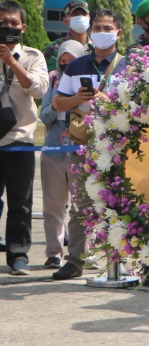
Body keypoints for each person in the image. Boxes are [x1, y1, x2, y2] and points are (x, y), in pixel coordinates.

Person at [50, 8, 126, 280]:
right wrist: (78, 99)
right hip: (83, 146)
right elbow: (58, 103)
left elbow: (137, 108)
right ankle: (75, 261)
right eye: (97, 28)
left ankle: (120, 264)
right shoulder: (76, 65)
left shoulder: (127, 65)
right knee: (81, 204)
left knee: (121, 204)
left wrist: (106, 100)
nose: (101, 32)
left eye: (107, 28)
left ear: (118, 33)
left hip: (119, 148)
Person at [0, 0, 51, 276]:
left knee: (20, 202)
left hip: (19, 139)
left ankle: (18, 255)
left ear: (23, 27)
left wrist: (10, 61)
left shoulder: (33, 56)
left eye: (13, 23)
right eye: (3, 23)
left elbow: (39, 90)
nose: (8, 27)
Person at [38, 39, 85, 271]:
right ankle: (53, 253)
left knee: (82, 206)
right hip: (54, 151)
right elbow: (44, 115)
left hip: (80, 151)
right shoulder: (53, 79)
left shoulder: (88, 81)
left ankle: (81, 254)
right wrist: (59, 105)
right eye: (63, 61)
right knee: (53, 205)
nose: (67, 65)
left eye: (72, 61)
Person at [42, 0, 90, 70]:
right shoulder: (54, 48)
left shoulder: (97, 48)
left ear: (89, 18)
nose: (80, 18)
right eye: (75, 14)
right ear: (65, 21)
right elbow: (48, 76)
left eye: (83, 14)